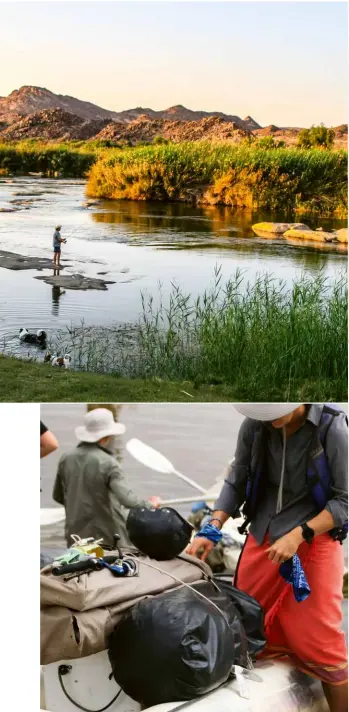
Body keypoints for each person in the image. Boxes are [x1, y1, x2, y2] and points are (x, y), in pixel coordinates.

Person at [187, 404, 348, 712]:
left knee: (319, 638)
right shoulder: (255, 424)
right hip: (263, 536)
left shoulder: (332, 428)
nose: (270, 420)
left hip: (314, 539)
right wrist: (214, 526)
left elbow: (345, 500)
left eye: (275, 411)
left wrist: (299, 534)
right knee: (249, 626)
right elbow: (236, 481)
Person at [52, 408, 161, 547]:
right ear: (106, 437)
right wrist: (150, 505)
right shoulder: (109, 464)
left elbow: (58, 496)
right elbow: (128, 501)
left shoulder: (65, 459)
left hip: (75, 536)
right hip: (108, 537)